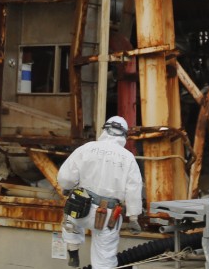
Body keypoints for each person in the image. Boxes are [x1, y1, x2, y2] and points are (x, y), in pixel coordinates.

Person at [57, 115, 144, 268]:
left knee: (71, 222)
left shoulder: (87, 148)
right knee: (104, 258)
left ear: (105, 130)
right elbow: (134, 190)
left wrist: (68, 187)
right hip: (108, 216)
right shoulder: (128, 158)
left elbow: (65, 177)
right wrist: (133, 217)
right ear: (124, 135)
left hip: (81, 208)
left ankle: (73, 251)